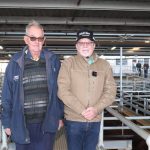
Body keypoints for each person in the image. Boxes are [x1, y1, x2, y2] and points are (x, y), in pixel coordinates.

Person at [1, 20, 64, 150]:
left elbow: (60, 91)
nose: (37, 42)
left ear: (44, 40)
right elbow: (7, 95)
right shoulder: (15, 62)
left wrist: (59, 116)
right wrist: (6, 122)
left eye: (40, 38)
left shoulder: (53, 60)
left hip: (46, 123)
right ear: (26, 39)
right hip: (22, 123)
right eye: (33, 38)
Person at [57, 30, 116, 150]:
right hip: (74, 120)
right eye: (81, 43)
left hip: (95, 119)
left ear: (93, 45)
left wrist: (96, 109)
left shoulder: (104, 65)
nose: (85, 46)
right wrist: (81, 110)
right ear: (76, 46)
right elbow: (62, 90)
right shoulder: (68, 64)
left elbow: (110, 91)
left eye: (88, 43)